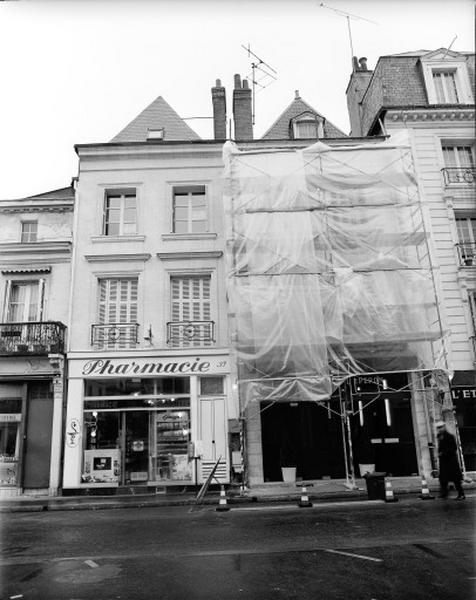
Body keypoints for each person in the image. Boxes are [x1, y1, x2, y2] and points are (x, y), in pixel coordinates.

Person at [436, 420, 465, 500]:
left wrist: (443, 453)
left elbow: (453, 448)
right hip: (444, 462)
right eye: (438, 428)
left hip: (451, 461)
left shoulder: (449, 436)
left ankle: (461, 494)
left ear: (444, 427)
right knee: (443, 479)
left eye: (440, 427)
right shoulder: (439, 436)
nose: (439, 429)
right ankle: (444, 494)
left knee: (456, 479)